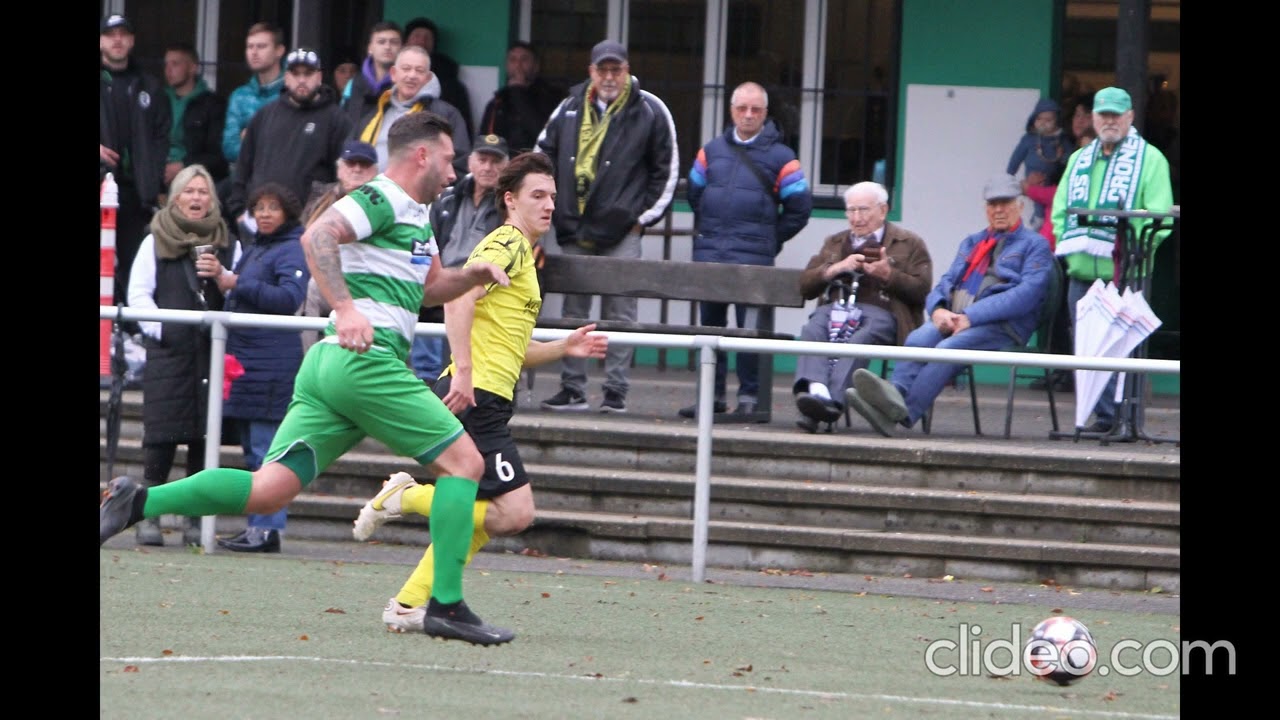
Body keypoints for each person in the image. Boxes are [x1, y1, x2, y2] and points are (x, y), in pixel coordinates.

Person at [102, 111, 518, 646]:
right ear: (421, 155)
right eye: (448, 155)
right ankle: (446, 605)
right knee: (466, 463)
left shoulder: (416, 215)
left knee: (268, 491)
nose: (454, 165)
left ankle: (138, 501)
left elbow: (432, 286)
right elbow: (319, 235)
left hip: (330, 368)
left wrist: (473, 275)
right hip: (362, 361)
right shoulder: (384, 196)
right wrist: (344, 309)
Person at [349, 152, 609, 632]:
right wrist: (465, 372)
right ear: (510, 201)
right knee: (514, 511)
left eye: (552, 196)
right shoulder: (507, 240)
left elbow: (512, 347)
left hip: (487, 395)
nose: (549, 204)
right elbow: (460, 296)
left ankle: (410, 603)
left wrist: (563, 348)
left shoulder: (525, 255)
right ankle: (404, 497)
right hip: (474, 395)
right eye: (537, 195)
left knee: (479, 511)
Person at [844, 174, 1054, 437]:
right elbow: (947, 281)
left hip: (1002, 325)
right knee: (919, 337)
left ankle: (903, 413)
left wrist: (971, 316)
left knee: (948, 348)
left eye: (1006, 203)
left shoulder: (1035, 245)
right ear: (985, 208)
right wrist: (939, 310)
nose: (998, 210)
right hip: (957, 317)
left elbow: (1026, 295)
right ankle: (893, 396)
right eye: (992, 204)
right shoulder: (973, 241)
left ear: (1020, 205)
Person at [536, 39, 679, 413]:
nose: (610, 76)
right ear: (591, 72)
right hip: (573, 226)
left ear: (627, 70)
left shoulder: (649, 109)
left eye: (617, 69)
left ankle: (616, 391)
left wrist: (640, 221)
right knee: (574, 315)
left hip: (622, 232)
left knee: (621, 315)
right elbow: (541, 157)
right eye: (603, 70)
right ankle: (573, 389)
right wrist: (548, 207)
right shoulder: (569, 106)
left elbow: (667, 170)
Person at [677, 81, 813, 419]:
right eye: (742, 108)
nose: (749, 115)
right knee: (710, 330)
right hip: (710, 256)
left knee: (749, 333)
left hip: (755, 260)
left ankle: (750, 398)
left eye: (756, 109)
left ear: (766, 114)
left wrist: (770, 239)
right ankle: (711, 397)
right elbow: (695, 195)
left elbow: (800, 209)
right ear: (732, 111)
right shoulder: (709, 151)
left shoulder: (784, 158)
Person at [1050, 86, 1173, 435]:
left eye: (1116, 115)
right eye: (1103, 114)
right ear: (1093, 118)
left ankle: (1122, 420)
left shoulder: (1150, 159)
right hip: (1081, 272)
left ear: (1130, 117)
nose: (1109, 121)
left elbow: (1159, 216)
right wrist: (1071, 243)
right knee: (1087, 346)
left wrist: (1131, 247)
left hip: (1126, 271)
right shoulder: (1079, 158)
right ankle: (1105, 418)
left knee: (1121, 347)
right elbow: (1061, 212)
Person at [125, 164, 237, 547]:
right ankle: (147, 515)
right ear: (175, 197)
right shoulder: (153, 239)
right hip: (169, 356)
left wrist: (222, 275)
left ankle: (194, 519)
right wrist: (165, 330)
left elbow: (238, 292)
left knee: (203, 440)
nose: (196, 198)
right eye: (189, 191)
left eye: (204, 192)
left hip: (212, 354)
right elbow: (138, 294)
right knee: (159, 438)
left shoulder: (228, 241)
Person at [213, 182, 311, 553]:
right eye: (259, 208)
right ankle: (259, 526)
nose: (265, 214)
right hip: (249, 361)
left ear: (287, 212)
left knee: (267, 451)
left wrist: (237, 282)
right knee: (255, 453)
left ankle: (267, 529)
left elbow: (289, 299)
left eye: (273, 207)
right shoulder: (258, 247)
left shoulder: (290, 248)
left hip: (271, 364)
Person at [791, 181, 932, 432]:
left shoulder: (909, 243)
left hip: (885, 313)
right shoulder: (834, 242)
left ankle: (828, 401)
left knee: (862, 336)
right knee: (813, 328)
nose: (857, 218)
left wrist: (889, 275)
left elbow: (922, 290)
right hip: (836, 308)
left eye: (864, 210)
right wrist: (836, 268)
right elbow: (804, 286)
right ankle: (819, 392)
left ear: (883, 210)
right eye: (851, 211)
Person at [411, 134, 511, 384]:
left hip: (483, 283)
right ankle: (427, 381)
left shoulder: (509, 205)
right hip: (442, 278)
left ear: (507, 166)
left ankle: (452, 380)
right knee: (420, 288)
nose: (488, 167)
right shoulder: (447, 197)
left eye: (495, 161)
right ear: (471, 162)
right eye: (483, 159)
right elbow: (427, 240)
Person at [227, 47, 353, 221]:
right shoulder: (265, 115)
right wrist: (239, 210)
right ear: (286, 78)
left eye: (308, 73)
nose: (301, 80)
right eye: (295, 73)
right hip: (261, 222)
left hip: (310, 224)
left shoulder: (337, 120)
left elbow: (344, 175)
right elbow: (243, 166)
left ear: (319, 77)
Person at [100, 13, 171, 313]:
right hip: (101, 184)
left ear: (132, 40)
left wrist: (152, 182)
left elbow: (162, 136)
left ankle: (130, 335)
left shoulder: (150, 86)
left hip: (135, 193)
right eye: (110, 34)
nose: (117, 40)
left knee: (132, 265)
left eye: (123, 34)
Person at [299, 140, 380, 353]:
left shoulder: (382, 202)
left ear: (376, 171)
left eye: (364, 165)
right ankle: (309, 356)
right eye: (351, 163)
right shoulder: (320, 200)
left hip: (369, 278)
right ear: (339, 168)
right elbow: (307, 239)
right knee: (310, 287)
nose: (357, 169)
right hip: (328, 279)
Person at [353, 45, 472, 177]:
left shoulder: (445, 115)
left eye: (419, 71)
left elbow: (459, 165)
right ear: (393, 74)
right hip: (369, 193)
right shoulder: (373, 112)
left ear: (428, 78)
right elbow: (350, 156)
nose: (412, 75)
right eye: (406, 69)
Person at [221, 22, 286, 174]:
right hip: (242, 184)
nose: (254, 52)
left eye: (261, 46)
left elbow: (288, 151)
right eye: (250, 47)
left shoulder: (291, 94)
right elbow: (229, 149)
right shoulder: (239, 96)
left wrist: (248, 138)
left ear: (279, 50)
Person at [161, 42, 228, 188]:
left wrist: (184, 165)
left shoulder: (213, 105)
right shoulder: (158, 100)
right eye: (166, 64)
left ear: (193, 68)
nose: (168, 70)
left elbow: (218, 157)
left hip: (196, 179)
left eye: (175, 64)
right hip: (158, 176)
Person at [478, 42, 565, 154]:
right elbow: (486, 139)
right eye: (513, 60)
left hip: (537, 162)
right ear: (506, 66)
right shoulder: (498, 101)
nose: (518, 65)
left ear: (536, 66)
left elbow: (542, 133)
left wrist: (518, 91)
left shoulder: (551, 97)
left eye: (524, 60)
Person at [403, 16, 474, 138]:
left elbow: (463, 128)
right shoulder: (390, 78)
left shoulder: (451, 84)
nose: (422, 42)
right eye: (417, 36)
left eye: (427, 38)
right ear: (406, 42)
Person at [1006, 98, 1068, 232]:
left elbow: (1069, 161)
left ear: (1057, 122)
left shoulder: (1062, 140)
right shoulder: (1029, 139)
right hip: (1032, 177)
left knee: (1048, 203)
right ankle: (1037, 220)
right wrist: (1009, 177)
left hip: (1051, 181)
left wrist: (1062, 154)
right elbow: (1016, 158)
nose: (1043, 123)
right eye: (1039, 119)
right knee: (1038, 204)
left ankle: (1040, 222)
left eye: (1048, 120)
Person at [342, 20, 402, 128]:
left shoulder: (406, 84)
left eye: (393, 42)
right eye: (381, 42)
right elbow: (343, 124)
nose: (387, 47)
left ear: (401, 48)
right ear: (370, 48)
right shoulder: (353, 83)